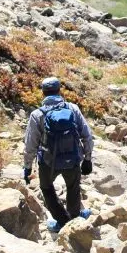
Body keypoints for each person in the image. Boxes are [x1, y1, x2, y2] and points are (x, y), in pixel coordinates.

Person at [23, 77, 95, 232]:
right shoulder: (72, 109)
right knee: (73, 187)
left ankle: (61, 221)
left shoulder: (37, 114)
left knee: (47, 189)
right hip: (73, 159)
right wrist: (88, 159)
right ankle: (75, 218)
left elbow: (30, 145)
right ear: (59, 91)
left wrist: (27, 167)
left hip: (48, 162)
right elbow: (87, 135)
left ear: (43, 93)